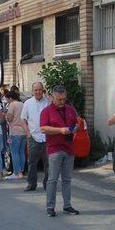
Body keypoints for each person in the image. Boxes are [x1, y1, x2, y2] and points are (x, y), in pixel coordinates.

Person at [40, 85, 80, 217]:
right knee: (53, 179)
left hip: (69, 148)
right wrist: (60, 130)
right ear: (53, 98)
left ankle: (67, 206)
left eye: (64, 99)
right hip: (54, 148)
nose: (62, 102)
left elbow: (77, 122)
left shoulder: (69, 109)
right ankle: (50, 207)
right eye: (59, 99)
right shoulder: (46, 111)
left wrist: (75, 128)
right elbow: (43, 128)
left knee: (67, 179)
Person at [20, 82, 50, 192]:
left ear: (43, 90)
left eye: (39, 90)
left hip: (47, 137)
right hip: (33, 137)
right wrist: (28, 133)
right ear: (32, 91)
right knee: (32, 162)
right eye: (35, 90)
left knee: (49, 163)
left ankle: (48, 184)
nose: (38, 92)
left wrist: (50, 98)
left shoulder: (48, 102)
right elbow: (23, 120)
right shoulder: (27, 103)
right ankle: (31, 184)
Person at [6, 90, 26, 179]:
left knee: (14, 153)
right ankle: (21, 171)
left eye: (7, 99)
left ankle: (16, 172)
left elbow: (9, 118)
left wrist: (5, 115)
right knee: (22, 152)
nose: (7, 101)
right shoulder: (22, 104)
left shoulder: (12, 105)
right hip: (24, 131)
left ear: (10, 98)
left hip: (14, 131)